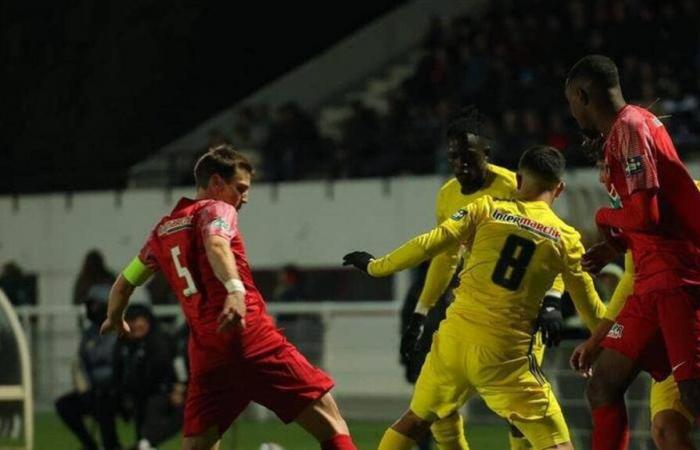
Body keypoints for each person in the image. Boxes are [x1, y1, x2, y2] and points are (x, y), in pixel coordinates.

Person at [344, 146, 607, 450]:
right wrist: (623, 341)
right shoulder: (566, 238)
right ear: (559, 188)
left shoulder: (485, 209)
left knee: (415, 420)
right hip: (505, 354)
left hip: (454, 341)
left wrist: (377, 267)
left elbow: (429, 243)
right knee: (556, 442)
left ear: (519, 179)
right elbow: (592, 309)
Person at [100, 144, 356, 450]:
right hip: (250, 338)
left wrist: (114, 317)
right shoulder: (217, 209)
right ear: (216, 183)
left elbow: (124, 283)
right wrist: (234, 289)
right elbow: (217, 244)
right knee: (331, 422)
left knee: (198, 446)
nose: (244, 197)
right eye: (240, 188)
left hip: (208, 355)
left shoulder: (162, 231)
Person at [400, 108, 566, 450]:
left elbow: (553, 246)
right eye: (454, 157)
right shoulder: (447, 195)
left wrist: (551, 301)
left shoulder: (513, 185)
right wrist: (421, 311)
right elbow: (445, 257)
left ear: (486, 155)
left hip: (516, 313)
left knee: (519, 414)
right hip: (469, 307)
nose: (461, 164)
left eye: (468, 156)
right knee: (439, 401)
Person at [565, 54, 700, 450]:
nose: (572, 113)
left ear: (582, 95)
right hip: (650, 281)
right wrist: (614, 245)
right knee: (604, 383)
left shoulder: (629, 129)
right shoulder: (634, 126)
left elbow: (647, 214)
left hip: (678, 277)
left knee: (692, 398)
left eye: (571, 103)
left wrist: (603, 215)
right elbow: (650, 218)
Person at [55, 285, 121, 450]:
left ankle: (112, 445)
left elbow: (119, 363)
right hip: (93, 391)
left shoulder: (120, 328)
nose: (91, 309)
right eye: (90, 305)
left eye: (95, 305)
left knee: (103, 404)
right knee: (64, 405)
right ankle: (89, 444)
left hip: (116, 392)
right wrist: (84, 388)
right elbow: (81, 363)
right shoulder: (89, 333)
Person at [114, 304, 182, 450]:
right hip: (137, 396)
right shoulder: (126, 344)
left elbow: (177, 365)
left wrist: (179, 387)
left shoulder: (162, 341)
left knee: (151, 431)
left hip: (162, 394)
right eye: (131, 321)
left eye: (139, 320)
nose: (135, 325)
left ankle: (144, 444)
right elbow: (119, 370)